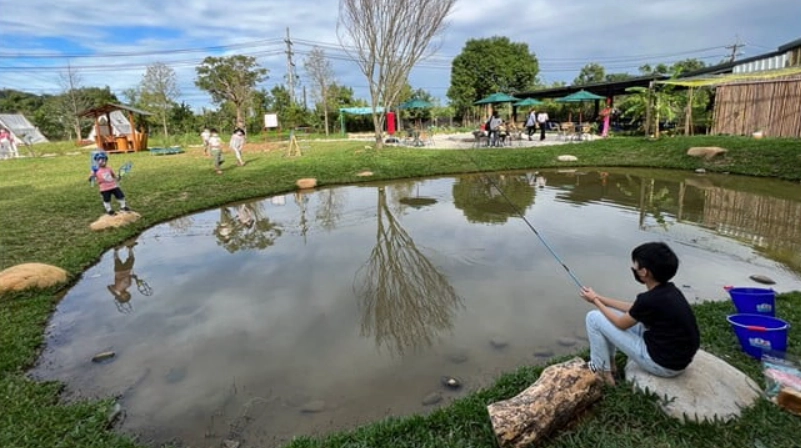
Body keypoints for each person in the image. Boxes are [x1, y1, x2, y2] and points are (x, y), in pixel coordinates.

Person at [579, 242, 700, 386]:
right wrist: (599, 298)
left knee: (593, 318)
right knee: (607, 314)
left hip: (663, 365)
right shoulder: (669, 291)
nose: (633, 268)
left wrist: (594, 301)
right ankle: (609, 364)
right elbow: (635, 308)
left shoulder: (649, 299)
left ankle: (602, 372)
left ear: (644, 272)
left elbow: (621, 324)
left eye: (635, 265)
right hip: (677, 359)